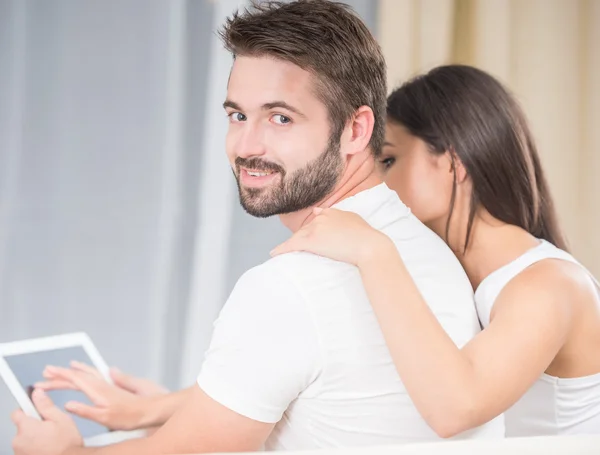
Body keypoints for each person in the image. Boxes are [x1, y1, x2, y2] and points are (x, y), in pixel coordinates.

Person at [10, 2, 503, 455]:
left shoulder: (291, 286)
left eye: (281, 118)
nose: (246, 145)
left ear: (356, 129)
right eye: (238, 115)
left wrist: (66, 453)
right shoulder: (428, 249)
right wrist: (195, 404)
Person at [270, 64, 600, 437]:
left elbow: (456, 409)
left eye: (389, 160)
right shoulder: (454, 278)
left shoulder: (549, 284)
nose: (374, 181)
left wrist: (372, 251)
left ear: (452, 162)